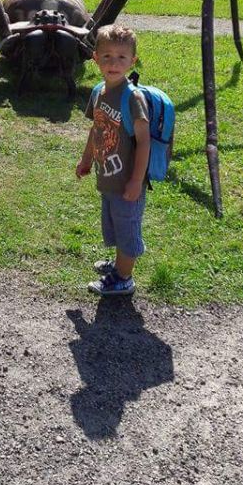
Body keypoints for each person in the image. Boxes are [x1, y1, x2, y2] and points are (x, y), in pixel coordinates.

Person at [76, 25, 150, 296]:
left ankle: (124, 278)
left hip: (128, 181)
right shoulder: (98, 91)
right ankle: (119, 265)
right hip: (107, 176)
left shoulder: (133, 99)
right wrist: (86, 160)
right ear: (95, 58)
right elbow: (96, 129)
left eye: (121, 57)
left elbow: (144, 142)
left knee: (127, 226)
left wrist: (136, 181)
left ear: (133, 61)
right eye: (106, 56)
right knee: (115, 223)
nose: (113, 63)